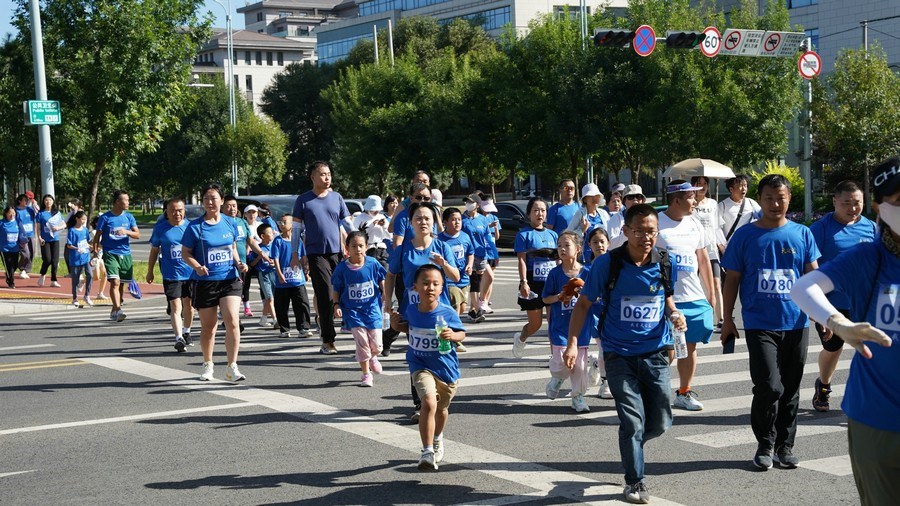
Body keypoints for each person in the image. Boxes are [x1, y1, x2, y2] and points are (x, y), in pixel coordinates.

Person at [790, 156, 899, 506]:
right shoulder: (869, 258)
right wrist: (838, 323)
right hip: (878, 418)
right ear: (882, 209)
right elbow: (803, 288)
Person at [565, 203, 685, 505]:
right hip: (618, 353)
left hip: (656, 352)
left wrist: (674, 314)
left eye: (652, 232)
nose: (646, 237)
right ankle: (635, 480)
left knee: (661, 421)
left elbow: (666, 298)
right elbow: (583, 304)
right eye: (639, 231)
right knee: (632, 421)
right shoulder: (608, 264)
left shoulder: (665, 261)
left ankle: (632, 445)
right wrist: (572, 343)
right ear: (626, 231)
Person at [720, 174, 820, 471]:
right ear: (760, 200)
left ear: (789, 199)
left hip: (796, 323)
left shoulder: (803, 234)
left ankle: (785, 447)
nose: (775, 204)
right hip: (759, 323)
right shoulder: (745, 236)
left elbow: (813, 278)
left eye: (781, 198)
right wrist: (728, 319)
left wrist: (822, 315)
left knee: (790, 388)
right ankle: (765, 443)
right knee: (769, 385)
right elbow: (732, 280)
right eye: (769, 198)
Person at [385, 202, 460, 422]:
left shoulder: (442, 246)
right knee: (418, 353)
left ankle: (440, 394)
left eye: (427, 218)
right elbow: (390, 275)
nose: (423, 222)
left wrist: (444, 265)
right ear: (411, 223)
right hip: (414, 313)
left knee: (441, 352)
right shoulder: (403, 250)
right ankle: (421, 403)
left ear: (434, 222)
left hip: (439, 314)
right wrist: (387, 299)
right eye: (418, 218)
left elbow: (456, 277)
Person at [806, 180, 876, 412]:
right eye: (846, 203)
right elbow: (809, 268)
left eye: (857, 203)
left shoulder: (872, 228)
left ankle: (869, 396)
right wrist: (816, 308)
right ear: (834, 201)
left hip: (865, 302)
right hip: (832, 304)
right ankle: (823, 385)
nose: (852, 208)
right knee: (833, 348)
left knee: (871, 350)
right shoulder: (820, 229)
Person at [389, 264, 466, 472]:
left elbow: (462, 333)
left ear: (441, 288)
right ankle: (427, 451)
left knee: (441, 409)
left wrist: (453, 335)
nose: (430, 287)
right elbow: (407, 327)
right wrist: (396, 326)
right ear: (415, 287)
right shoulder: (411, 309)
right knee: (429, 402)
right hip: (419, 364)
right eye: (425, 283)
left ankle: (438, 437)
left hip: (445, 368)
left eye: (435, 284)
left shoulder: (447, 312)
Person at [653, 180, 716, 411]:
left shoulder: (695, 223)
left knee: (689, 347)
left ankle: (684, 392)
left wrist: (711, 293)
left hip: (693, 296)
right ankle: (650, 393)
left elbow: (703, 259)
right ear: (677, 199)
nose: (695, 201)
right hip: (665, 298)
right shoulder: (656, 223)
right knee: (667, 350)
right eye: (691, 197)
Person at [181, 183, 249, 382]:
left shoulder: (230, 222)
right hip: (205, 281)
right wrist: (197, 267)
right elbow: (186, 253)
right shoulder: (195, 226)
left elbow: (232, 247)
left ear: (222, 201)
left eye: (214, 198)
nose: (210, 202)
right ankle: (208, 364)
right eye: (206, 198)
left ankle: (232, 366)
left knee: (232, 321)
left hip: (229, 279)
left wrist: (239, 262)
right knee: (209, 327)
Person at [289, 161, 350, 355]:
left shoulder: (337, 198)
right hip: (316, 254)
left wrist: (358, 241)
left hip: (337, 253)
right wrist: (295, 255)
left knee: (343, 292)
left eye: (329, 174)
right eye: (322, 174)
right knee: (325, 294)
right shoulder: (303, 200)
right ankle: (328, 340)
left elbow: (347, 223)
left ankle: (347, 328)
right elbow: (296, 230)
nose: (327, 177)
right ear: (312, 177)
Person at [542, 232, 592, 412]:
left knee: (580, 366)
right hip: (560, 327)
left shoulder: (587, 272)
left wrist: (583, 291)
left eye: (566, 245)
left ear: (578, 249)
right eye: (559, 245)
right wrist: (559, 296)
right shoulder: (554, 274)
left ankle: (578, 397)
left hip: (581, 328)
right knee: (561, 361)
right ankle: (557, 378)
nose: (562, 249)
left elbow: (596, 297)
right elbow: (545, 298)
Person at [332, 231, 387, 386]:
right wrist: (336, 305)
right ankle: (366, 374)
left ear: (366, 247)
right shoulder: (342, 269)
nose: (358, 249)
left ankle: (373, 357)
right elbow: (336, 289)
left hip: (372, 309)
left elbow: (382, 278)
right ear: (347, 248)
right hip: (353, 312)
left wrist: (385, 293)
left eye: (361, 246)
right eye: (354, 246)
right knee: (362, 343)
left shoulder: (372, 263)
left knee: (377, 345)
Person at [147, 197, 195, 352]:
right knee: (175, 306)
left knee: (189, 306)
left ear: (184, 211)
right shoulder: (160, 229)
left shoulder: (191, 227)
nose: (177, 213)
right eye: (173, 210)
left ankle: (187, 331)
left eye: (180, 210)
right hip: (171, 274)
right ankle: (178, 338)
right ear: (166, 212)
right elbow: (154, 251)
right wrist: (150, 271)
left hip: (191, 274)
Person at [512, 197, 558, 358]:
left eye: (543, 210)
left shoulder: (553, 235)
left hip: (551, 283)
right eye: (536, 210)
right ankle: (521, 338)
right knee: (535, 324)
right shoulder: (523, 235)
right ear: (529, 214)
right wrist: (524, 282)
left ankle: (555, 357)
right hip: (533, 283)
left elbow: (558, 260)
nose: (540, 214)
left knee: (554, 323)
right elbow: (522, 261)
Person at [92, 189, 140, 323]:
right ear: (117, 201)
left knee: (121, 284)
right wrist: (95, 253)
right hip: (110, 253)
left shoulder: (129, 217)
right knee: (115, 281)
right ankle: (118, 310)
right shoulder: (105, 217)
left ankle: (114, 309)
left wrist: (126, 232)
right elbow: (97, 237)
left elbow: (137, 235)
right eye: (126, 200)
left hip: (125, 254)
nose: (128, 202)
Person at [691, 176, 726, 332]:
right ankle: (703, 319)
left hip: (711, 251)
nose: (703, 187)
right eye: (699, 184)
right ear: (693, 186)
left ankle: (721, 320)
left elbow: (717, 227)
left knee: (716, 285)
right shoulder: (690, 204)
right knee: (696, 286)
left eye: (705, 184)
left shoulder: (713, 204)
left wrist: (722, 245)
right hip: (694, 251)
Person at [438, 206, 474, 352]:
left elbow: (470, 252)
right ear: (445, 222)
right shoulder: (440, 240)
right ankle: (454, 339)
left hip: (463, 279)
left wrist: (470, 265)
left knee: (462, 307)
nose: (457, 222)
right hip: (449, 280)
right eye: (453, 219)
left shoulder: (465, 236)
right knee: (455, 307)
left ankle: (446, 330)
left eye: (459, 219)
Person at [584, 227, 612, 398]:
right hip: (594, 314)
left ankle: (596, 364)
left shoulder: (615, 266)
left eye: (602, 241)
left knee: (609, 349)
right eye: (595, 242)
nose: (599, 245)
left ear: (608, 243)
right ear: (589, 245)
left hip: (612, 312)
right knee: (604, 348)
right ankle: (605, 383)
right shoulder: (586, 269)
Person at [462, 194, 491, 323]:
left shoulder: (483, 220)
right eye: (467, 202)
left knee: (480, 280)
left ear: (478, 205)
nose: (468, 204)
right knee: (473, 280)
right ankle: (477, 310)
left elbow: (488, 237)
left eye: (471, 202)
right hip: (468, 255)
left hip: (482, 254)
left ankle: (473, 309)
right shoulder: (462, 219)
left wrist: (493, 253)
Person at [566, 183, 610, 264]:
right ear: (585, 199)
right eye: (591, 196)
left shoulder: (604, 213)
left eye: (596, 195)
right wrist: (582, 230)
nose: (594, 198)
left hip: (602, 255)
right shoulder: (580, 214)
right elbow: (568, 235)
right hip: (585, 258)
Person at [718, 174, 761, 253]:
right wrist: (723, 247)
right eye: (740, 186)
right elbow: (717, 228)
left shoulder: (751, 203)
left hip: (748, 247)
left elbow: (762, 218)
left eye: (745, 185)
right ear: (731, 189)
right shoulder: (722, 206)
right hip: (730, 248)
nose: (744, 188)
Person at [248, 223, 277, 329]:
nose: (272, 233)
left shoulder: (274, 246)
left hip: (274, 273)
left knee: (272, 298)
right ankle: (275, 320)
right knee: (269, 298)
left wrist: (274, 263)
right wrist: (259, 257)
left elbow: (277, 259)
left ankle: (264, 318)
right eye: (270, 232)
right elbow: (252, 264)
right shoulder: (257, 248)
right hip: (263, 274)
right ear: (262, 236)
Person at [36, 194, 66, 287]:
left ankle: (53, 280)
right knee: (47, 259)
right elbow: (38, 228)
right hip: (45, 240)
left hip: (55, 239)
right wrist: (39, 238)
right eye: (46, 200)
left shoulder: (57, 213)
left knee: (55, 261)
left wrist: (58, 228)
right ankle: (43, 274)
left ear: (53, 202)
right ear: (43, 202)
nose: (48, 202)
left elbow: (64, 224)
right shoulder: (40, 214)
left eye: (50, 200)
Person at [352, 195, 390, 269]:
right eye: (374, 209)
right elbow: (357, 236)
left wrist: (384, 226)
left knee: (384, 270)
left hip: (381, 249)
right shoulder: (360, 218)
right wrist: (372, 225)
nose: (376, 212)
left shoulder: (381, 217)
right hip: (368, 250)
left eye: (378, 210)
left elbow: (389, 236)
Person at [478, 194, 501, 312]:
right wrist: (488, 226)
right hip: (481, 251)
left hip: (492, 251)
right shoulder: (478, 218)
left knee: (491, 279)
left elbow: (497, 237)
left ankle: (485, 301)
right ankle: (480, 300)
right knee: (485, 278)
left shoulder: (493, 217)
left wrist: (495, 227)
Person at [65, 211, 93, 307]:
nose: (84, 221)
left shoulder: (85, 230)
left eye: (85, 219)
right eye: (82, 219)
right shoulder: (72, 231)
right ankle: (75, 298)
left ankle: (87, 295)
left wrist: (92, 247)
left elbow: (87, 241)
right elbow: (69, 245)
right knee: (75, 279)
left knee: (90, 275)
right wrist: (77, 248)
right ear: (77, 219)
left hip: (86, 256)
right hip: (75, 258)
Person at [607, 185, 647, 249]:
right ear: (624, 201)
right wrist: (628, 232)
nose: (635, 200)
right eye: (630, 197)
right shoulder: (616, 218)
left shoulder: (648, 218)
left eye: (638, 197)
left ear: (642, 201)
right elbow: (611, 245)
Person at [241, 203, 262, 317]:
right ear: (245, 214)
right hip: (247, 257)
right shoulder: (242, 225)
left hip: (260, 257)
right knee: (246, 282)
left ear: (257, 214)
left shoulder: (261, 225)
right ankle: (247, 307)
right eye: (249, 212)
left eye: (254, 212)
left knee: (263, 282)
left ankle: (267, 305)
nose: (251, 215)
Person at [14, 193, 37, 279]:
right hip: (21, 236)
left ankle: (26, 270)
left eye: (27, 200)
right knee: (25, 253)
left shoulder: (30, 209)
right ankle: (21, 268)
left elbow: (37, 216)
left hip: (31, 234)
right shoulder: (15, 211)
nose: (26, 202)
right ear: (20, 201)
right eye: (24, 200)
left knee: (32, 252)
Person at [1, 205, 24, 288]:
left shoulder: (17, 222)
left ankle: (8, 275)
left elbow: (22, 233)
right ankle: (11, 282)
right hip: (4, 249)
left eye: (13, 213)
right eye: (10, 213)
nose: (12, 215)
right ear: (6, 213)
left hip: (15, 248)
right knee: (9, 266)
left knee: (15, 265)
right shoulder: (1, 223)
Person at [89, 216, 108, 300]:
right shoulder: (93, 232)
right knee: (96, 277)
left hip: (100, 257)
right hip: (93, 256)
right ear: (97, 223)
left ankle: (100, 293)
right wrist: (94, 248)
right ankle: (82, 281)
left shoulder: (104, 232)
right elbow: (86, 243)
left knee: (105, 274)